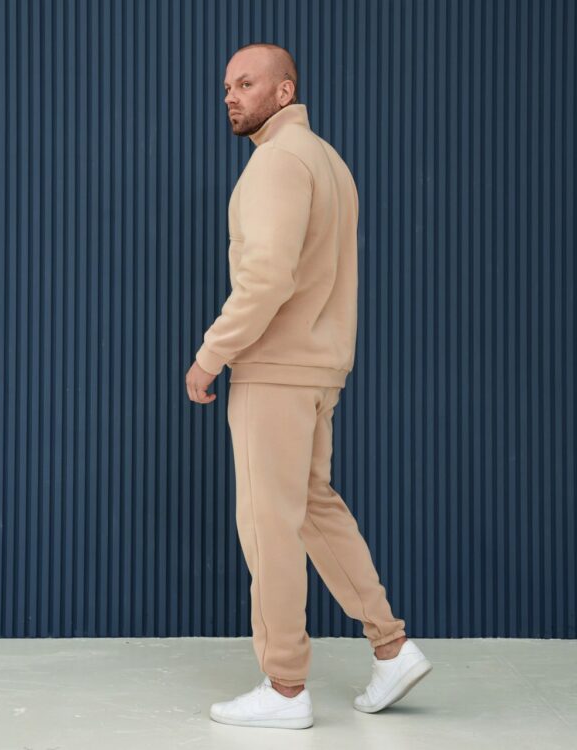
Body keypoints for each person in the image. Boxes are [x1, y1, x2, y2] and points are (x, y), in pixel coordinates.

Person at [185, 42, 432, 730]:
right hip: (318, 369)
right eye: (227, 87)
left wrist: (211, 355)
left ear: (285, 92)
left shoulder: (276, 162)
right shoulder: (329, 162)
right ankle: (391, 647)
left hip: (274, 371)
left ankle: (285, 687)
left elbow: (267, 276)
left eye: (246, 84)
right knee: (313, 507)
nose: (231, 96)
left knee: (268, 525)